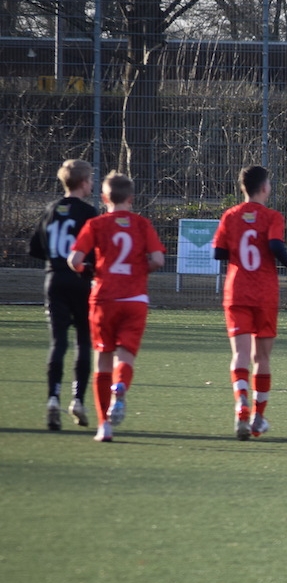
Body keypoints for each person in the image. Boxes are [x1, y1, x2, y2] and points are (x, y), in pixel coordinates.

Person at [67, 172, 165, 442]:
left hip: (104, 298)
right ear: (131, 198)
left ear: (104, 198)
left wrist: (88, 271)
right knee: (125, 356)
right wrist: (140, 271)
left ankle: (104, 426)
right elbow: (158, 259)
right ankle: (120, 386)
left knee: (103, 358)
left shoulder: (96, 224)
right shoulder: (142, 224)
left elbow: (74, 260)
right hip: (134, 299)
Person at [213, 165, 287, 440]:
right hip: (264, 293)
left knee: (239, 355)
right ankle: (258, 417)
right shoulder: (273, 217)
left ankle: (241, 403)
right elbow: (275, 246)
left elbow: (218, 253)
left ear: (243, 188)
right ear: (264, 188)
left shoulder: (230, 215)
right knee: (261, 357)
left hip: (237, 291)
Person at [29, 159, 98, 430]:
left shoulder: (50, 209)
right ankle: (78, 400)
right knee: (83, 342)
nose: (92, 184)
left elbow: (35, 249)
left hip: (54, 279)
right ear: (83, 182)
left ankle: (53, 399)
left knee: (58, 343)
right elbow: (95, 251)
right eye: (90, 180)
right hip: (81, 280)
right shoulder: (88, 213)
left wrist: (55, 260)